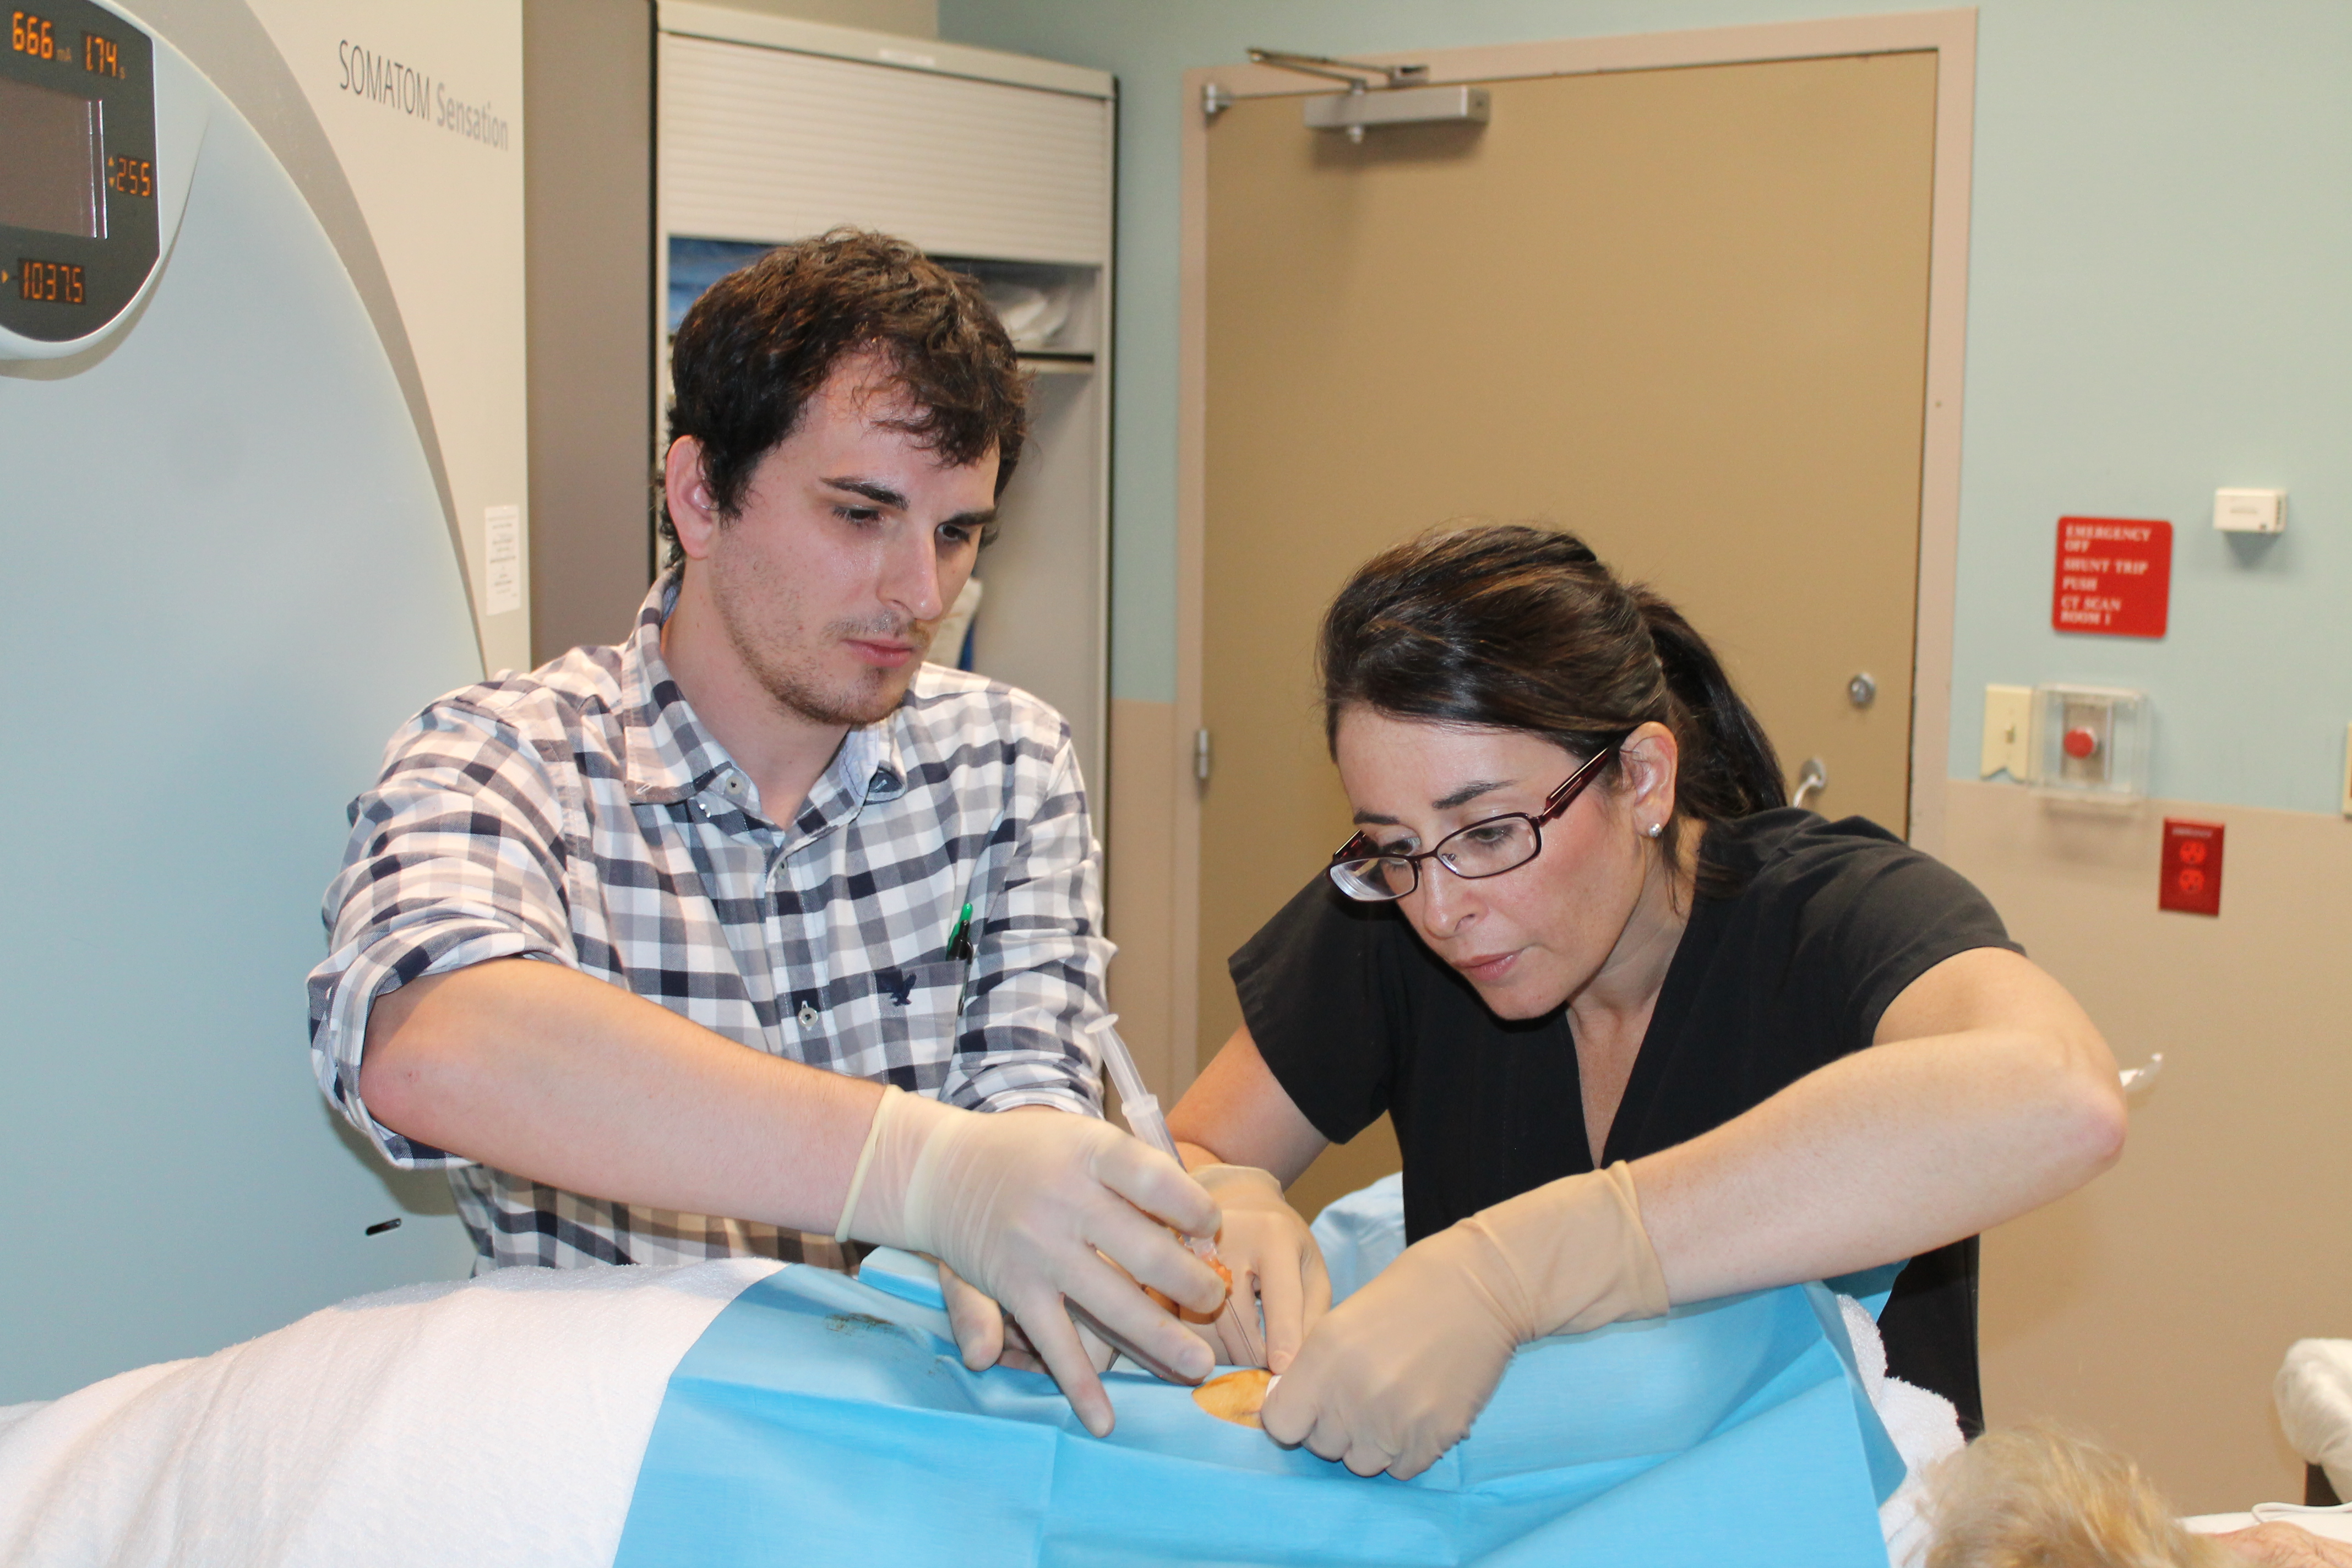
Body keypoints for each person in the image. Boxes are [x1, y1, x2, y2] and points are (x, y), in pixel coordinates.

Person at [306, 229, 1223, 1437]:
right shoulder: (509, 756)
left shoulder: (1009, 761)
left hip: (920, 1442)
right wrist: (915, 1169)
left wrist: (1125, 1205)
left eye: (959, 532)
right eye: (862, 513)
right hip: (625, 1458)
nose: (923, 592)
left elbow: (1024, 1096)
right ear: (700, 494)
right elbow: (430, 1045)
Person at [1167, 524, 2129, 1478]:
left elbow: (2062, 1100)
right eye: (1392, 845)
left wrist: (1532, 1264)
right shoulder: (1397, 913)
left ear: (1642, 779)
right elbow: (1195, 1149)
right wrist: (1223, 1199)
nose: (1445, 906)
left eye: (1493, 833)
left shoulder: (1829, 920)